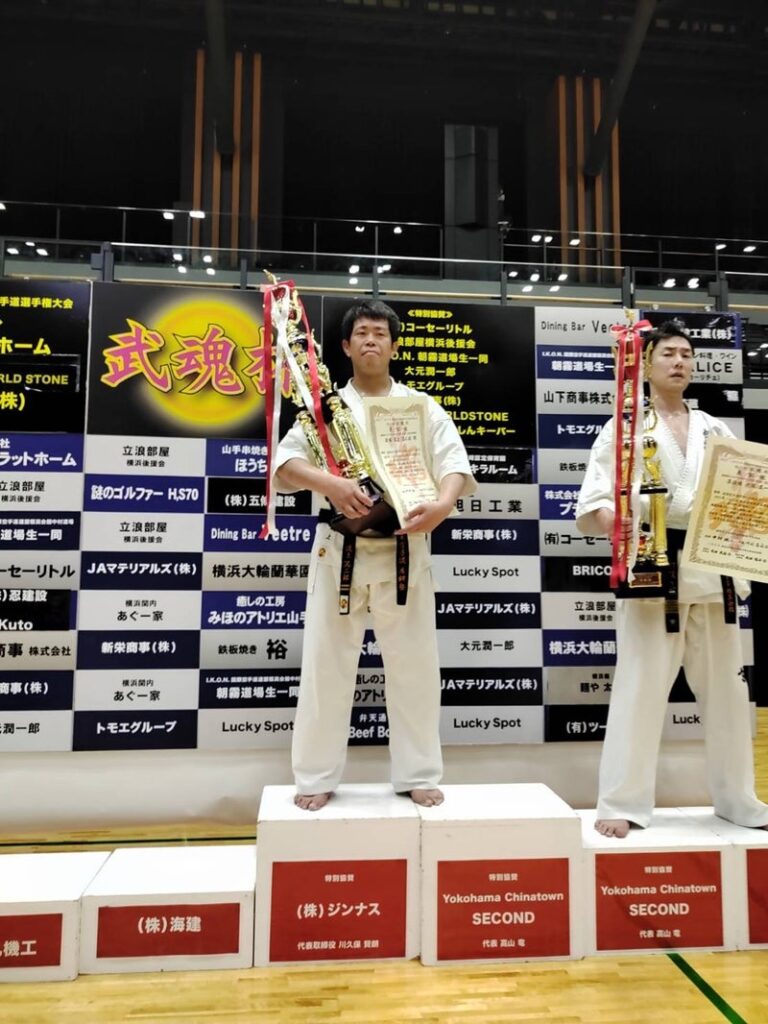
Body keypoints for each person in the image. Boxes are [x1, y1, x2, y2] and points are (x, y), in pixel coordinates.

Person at [273, 300, 476, 811]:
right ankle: (315, 777)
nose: (371, 340)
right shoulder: (324, 408)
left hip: (406, 551)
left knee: (415, 669)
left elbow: (454, 463)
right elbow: (285, 464)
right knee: (325, 669)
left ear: (394, 346)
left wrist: (444, 504)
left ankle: (418, 773)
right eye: (361, 332)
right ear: (345, 346)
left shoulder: (421, 406)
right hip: (339, 552)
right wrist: (331, 484)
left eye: (380, 333)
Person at [575, 320, 768, 838]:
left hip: (714, 569)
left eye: (686, 354)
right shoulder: (624, 428)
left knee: (729, 696)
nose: (679, 362)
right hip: (651, 566)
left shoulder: (714, 429)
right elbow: (597, 498)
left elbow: (743, 495)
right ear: (646, 363)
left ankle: (738, 799)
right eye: (668, 354)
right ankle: (621, 803)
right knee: (638, 689)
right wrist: (619, 524)